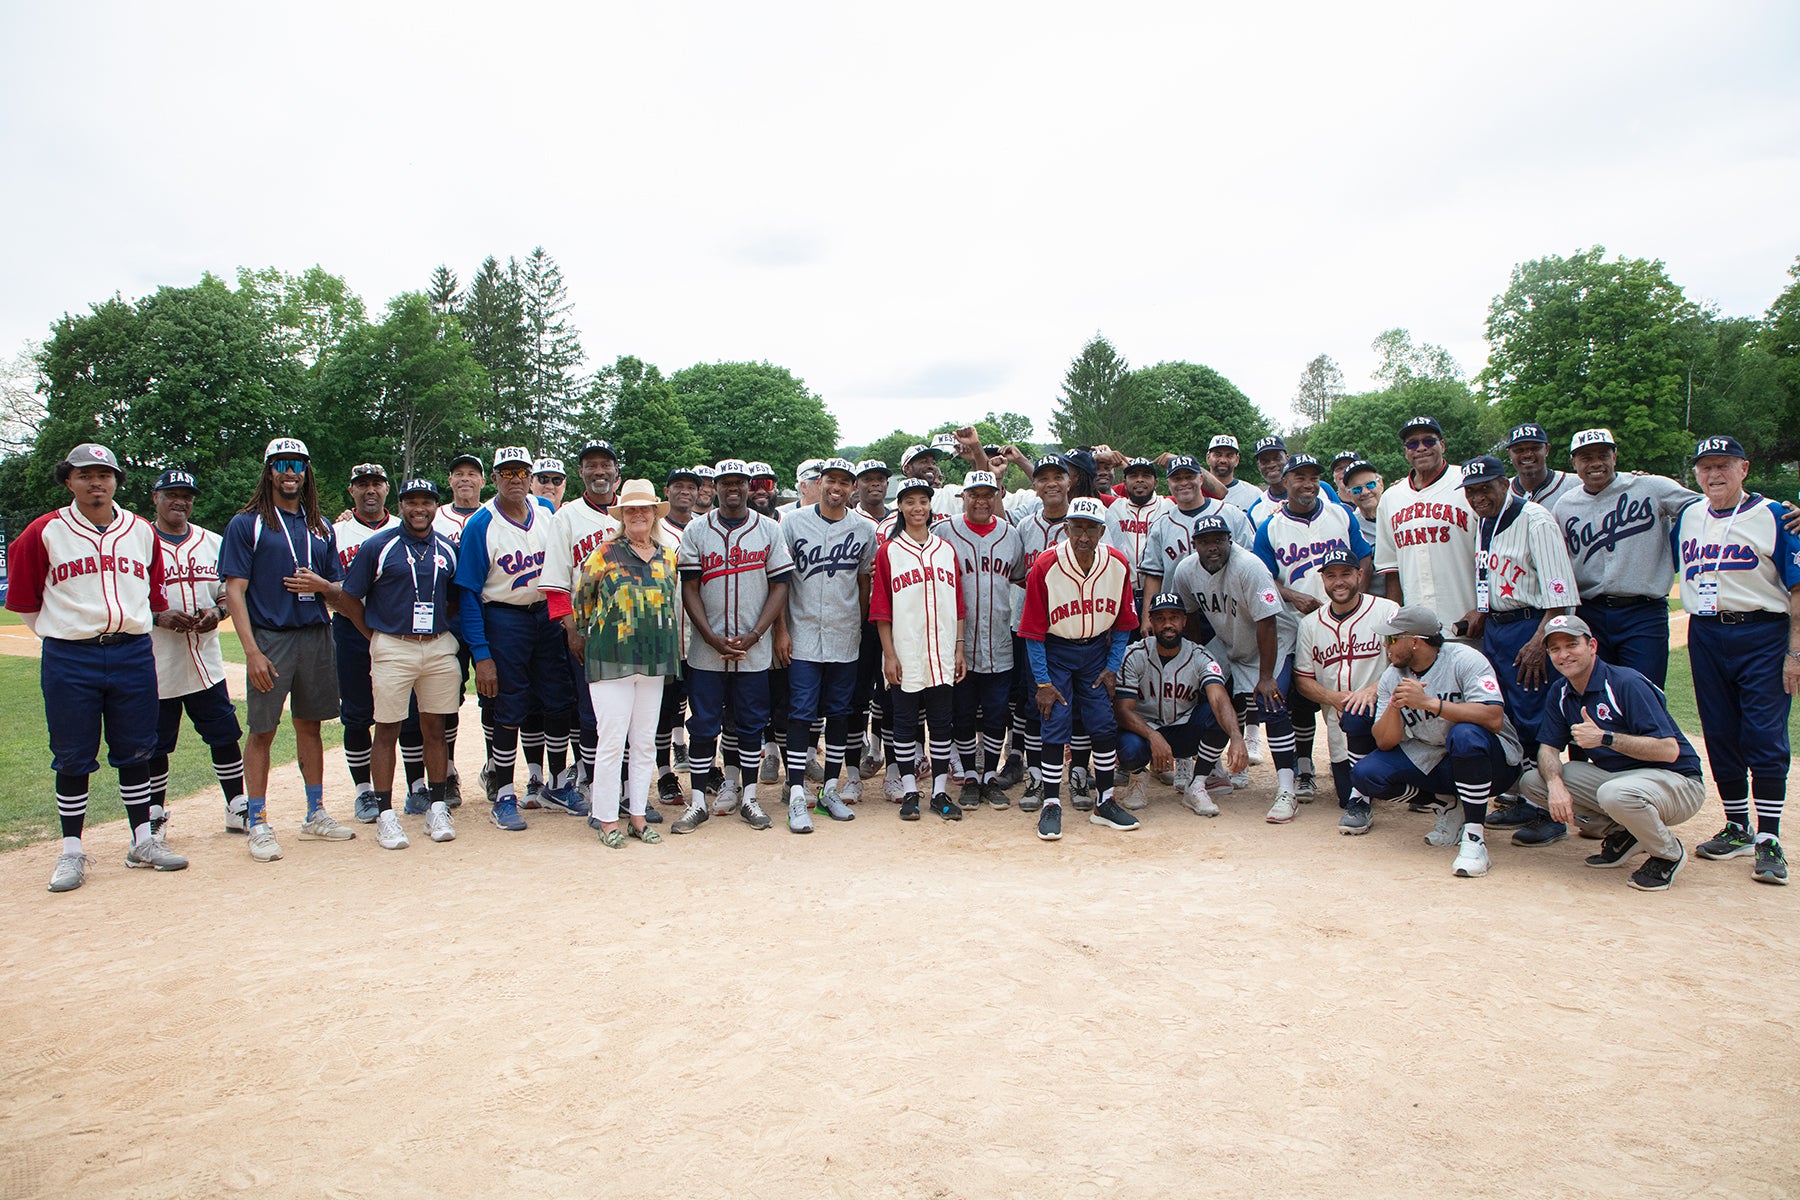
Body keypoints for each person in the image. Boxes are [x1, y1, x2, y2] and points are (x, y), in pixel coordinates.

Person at [7, 443, 186, 890]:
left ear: (116, 482)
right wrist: (64, 633)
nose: (96, 482)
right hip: (71, 656)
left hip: (131, 652)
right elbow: (26, 601)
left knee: (138, 750)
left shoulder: (140, 531)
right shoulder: (44, 531)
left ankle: (143, 841)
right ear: (68, 480)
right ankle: (72, 851)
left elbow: (154, 596)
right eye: (85, 474)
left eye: (104, 475)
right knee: (72, 754)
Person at [220, 437, 356, 862]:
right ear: (269, 471)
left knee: (311, 725)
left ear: (306, 470)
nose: (290, 471)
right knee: (262, 730)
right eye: (281, 464)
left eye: (297, 463)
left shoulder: (320, 526)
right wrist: (251, 651)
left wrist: (322, 587)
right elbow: (235, 592)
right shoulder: (248, 523)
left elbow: (337, 589)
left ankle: (315, 812)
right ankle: (257, 820)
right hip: (271, 636)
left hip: (316, 633)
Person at [1673, 435, 1798, 885]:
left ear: (1744, 468)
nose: (1714, 474)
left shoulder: (1777, 516)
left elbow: (1797, 589)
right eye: (1706, 467)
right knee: (1720, 733)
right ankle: (1737, 826)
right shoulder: (1687, 516)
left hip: (1763, 632)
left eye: (1724, 465)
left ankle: (1769, 838)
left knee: (1763, 734)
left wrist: (1795, 652)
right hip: (1705, 632)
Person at [1516, 615, 1705, 891]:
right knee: (1534, 783)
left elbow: (1668, 749)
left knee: (1614, 794)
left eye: (1571, 645)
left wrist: (1606, 739)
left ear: (1592, 646)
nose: (1564, 655)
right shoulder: (1561, 691)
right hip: (1625, 781)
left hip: (1678, 783)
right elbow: (1548, 748)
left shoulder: (1625, 683)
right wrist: (1555, 785)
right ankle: (1624, 834)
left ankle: (1668, 853)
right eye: (1555, 649)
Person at [1457, 455, 1581, 848]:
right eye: (1472, 491)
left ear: (1505, 483)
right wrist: (1482, 608)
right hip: (1499, 628)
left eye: (1486, 488)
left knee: (1537, 718)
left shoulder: (1536, 519)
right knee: (1509, 715)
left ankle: (1549, 811)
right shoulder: (1485, 522)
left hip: (1532, 628)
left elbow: (1560, 593)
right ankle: (1526, 797)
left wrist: (1540, 640)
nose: (1478, 496)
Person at [454, 445, 580, 831]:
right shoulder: (480, 524)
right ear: (494, 479)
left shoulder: (545, 512)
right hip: (503, 617)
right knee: (510, 707)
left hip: (545, 615)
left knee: (558, 700)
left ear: (530, 476)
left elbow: (560, 569)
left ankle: (556, 784)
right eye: (506, 473)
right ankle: (505, 791)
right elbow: (468, 594)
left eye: (521, 472)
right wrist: (481, 654)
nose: (515, 479)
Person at [1350, 606, 1525, 878]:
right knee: (1365, 775)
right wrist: (1395, 706)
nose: (1386, 646)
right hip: (1435, 757)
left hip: (1492, 762)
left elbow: (1493, 717)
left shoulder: (1466, 659)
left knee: (1465, 735)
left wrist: (1430, 704)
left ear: (1415, 642)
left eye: (1392, 639)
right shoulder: (1392, 676)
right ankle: (1447, 805)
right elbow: (1385, 742)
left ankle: (1474, 839)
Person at [335, 479, 461, 849]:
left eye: (426, 502)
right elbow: (348, 597)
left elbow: (453, 598)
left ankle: (437, 805)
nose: (418, 509)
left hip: (436, 644)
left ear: (436, 506)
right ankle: (386, 812)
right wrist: (373, 634)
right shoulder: (380, 545)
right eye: (411, 502)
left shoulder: (447, 549)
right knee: (387, 727)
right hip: (393, 644)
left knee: (435, 727)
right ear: (401, 505)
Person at [671, 459, 794, 834]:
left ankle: (750, 797)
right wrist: (708, 635)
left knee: (752, 723)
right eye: (725, 483)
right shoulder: (696, 529)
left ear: (748, 485)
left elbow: (780, 586)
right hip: (708, 650)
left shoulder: (770, 529)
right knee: (704, 724)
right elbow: (689, 586)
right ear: (716, 487)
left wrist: (757, 634)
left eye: (739, 482)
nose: (733, 488)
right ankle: (697, 803)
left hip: (752, 648)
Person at [1251, 452, 1375, 801]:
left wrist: (1357, 598)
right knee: (1299, 698)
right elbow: (1260, 577)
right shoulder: (1271, 526)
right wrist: (1291, 596)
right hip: (1297, 623)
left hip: (1345, 620)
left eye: (1312, 477)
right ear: (1285, 482)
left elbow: (1363, 556)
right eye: (1299, 477)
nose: (1307, 484)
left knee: (1350, 692)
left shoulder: (1340, 514)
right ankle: (1304, 767)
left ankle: (1359, 771)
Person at [568, 479, 682, 848]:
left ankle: (636, 814)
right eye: (631, 509)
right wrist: (597, 633)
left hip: (653, 660)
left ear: (654, 514)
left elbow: (669, 601)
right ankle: (605, 818)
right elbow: (582, 600)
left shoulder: (668, 556)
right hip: (611, 659)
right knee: (612, 741)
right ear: (623, 515)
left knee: (646, 742)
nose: (638, 515)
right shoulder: (604, 553)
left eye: (644, 509)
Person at [1018, 496, 1138, 840]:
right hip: (1056, 650)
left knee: (1102, 724)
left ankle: (1105, 802)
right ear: (1066, 527)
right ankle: (1051, 803)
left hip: (1095, 652)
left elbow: (1123, 624)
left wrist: (1112, 666)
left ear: (1102, 530)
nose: (1083, 536)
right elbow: (1033, 632)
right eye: (1076, 527)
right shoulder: (1045, 565)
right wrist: (1042, 682)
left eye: (1091, 528)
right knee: (1054, 723)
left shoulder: (1116, 563)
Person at [1170, 515, 1302, 822]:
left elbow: (1267, 623)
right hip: (1229, 642)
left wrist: (1266, 677)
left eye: (1219, 540)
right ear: (1195, 545)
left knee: (1273, 704)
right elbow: (1190, 619)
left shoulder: (1249, 566)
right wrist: (1198, 659)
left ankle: (1287, 790)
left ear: (1230, 540)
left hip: (1270, 642)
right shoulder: (1186, 570)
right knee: (1213, 700)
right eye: (1205, 541)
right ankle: (1202, 780)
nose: (1212, 547)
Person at [144, 469, 248, 845]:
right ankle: (153, 814)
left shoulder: (212, 542)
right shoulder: (138, 540)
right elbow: (121, 598)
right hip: (156, 663)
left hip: (205, 661)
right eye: (171, 493)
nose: (180, 501)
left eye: (186, 495)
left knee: (224, 734)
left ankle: (237, 804)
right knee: (155, 744)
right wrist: (158, 616)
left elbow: (227, 593)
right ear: (155, 497)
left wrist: (216, 614)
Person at [776, 457, 877, 830]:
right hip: (802, 632)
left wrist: (861, 624)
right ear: (819, 483)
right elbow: (780, 581)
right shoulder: (792, 524)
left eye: (844, 482)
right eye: (830, 480)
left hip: (844, 633)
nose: (837, 487)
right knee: (801, 712)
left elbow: (864, 580)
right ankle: (798, 793)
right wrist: (781, 631)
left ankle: (829, 790)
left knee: (839, 712)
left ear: (853, 488)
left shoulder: (863, 530)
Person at [1551, 428, 1694, 687]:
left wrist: (1772, 510)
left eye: (1602, 455)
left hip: (1643, 611)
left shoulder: (1651, 487)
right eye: (1586, 457)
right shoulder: (1565, 505)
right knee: (1596, 691)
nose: (1595, 463)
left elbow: (1709, 506)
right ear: (1574, 463)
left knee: (1644, 691)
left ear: (1615, 456)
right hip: (1590, 612)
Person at [871, 477, 968, 821]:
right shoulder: (889, 552)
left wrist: (958, 649)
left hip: (941, 650)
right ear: (899, 506)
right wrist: (889, 654)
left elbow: (958, 605)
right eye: (909, 502)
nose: (917, 508)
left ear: (930, 506)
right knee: (905, 723)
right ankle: (911, 790)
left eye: (922, 502)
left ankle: (940, 792)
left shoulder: (945, 550)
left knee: (942, 723)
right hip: (906, 650)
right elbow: (881, 610)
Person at [540, 440, 624, 809]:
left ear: (616, 471)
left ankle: (624, 789)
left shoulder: (633, 512)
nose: (599, 471)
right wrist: (571, 630)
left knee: (628, 713)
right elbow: (555, 581)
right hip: (588, 630)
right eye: (591, 465)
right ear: (581, 473)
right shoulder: (567, 516)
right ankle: (593, 785)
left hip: (630, 631)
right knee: (591, 713)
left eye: (605, 464)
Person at [1293, 549, 1398, 833]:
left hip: (1386, 718)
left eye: (1346, 574)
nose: (1339, 582)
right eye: (1331, 576)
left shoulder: (1387, 611)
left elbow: (1404, 665)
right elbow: (1303, 680)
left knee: (1390, 786)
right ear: (1323, 581)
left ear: (1360, 575)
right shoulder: (1310, 624)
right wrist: (1334, 698)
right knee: (1345, 796)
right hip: (1341, 727)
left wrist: (1373, 690)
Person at [1114, 594, 1248, 815]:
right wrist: (1152, 735)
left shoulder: (1200, 655)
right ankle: (1138, 779)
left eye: (1174, 617)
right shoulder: (1134, 654)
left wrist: (1236, 735)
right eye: (1160, 618)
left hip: (1183, 731)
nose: (1168, 624)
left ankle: (1196, 785)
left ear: (1184, 621)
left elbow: (1218, 697)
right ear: (1150, 621)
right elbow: (1122, 711)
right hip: (1145, 732)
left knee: (1218, 717)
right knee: (1129, 749)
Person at [940, 469, 1026, 810]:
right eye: (974, 494)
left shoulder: (1011, 535)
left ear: (998, 496)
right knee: (962, 713)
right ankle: (971, 777)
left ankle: (990, 775)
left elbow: (1018, 580)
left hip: (999, 641)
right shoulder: (943, 532)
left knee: (995, 713)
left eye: (987, 494)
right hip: (959, 642)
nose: (981, 500)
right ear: (963, 497)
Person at [1373, 416, 1480, 640]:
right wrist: (1397, 622)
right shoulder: (1391, 498)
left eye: (1428, 441)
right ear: (1405, 451)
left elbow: (1491, 555)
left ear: (1442, 444)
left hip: (1467, 620)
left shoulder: (1468, 482)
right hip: (1417, 630)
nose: (1421, 448)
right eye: (1412, 443)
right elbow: (1390, 569)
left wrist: (1484, 608)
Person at [332, 463, 399, 822]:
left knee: (407, 712)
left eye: (376, 483)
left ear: (387, 489)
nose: (369, 490)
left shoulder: (403, 527)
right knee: (357, 715)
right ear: (351, 490)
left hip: (395, 632)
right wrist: (359, 624)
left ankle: (417, 785)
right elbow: (329, 587)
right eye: (362, 484)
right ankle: (363, 791)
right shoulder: (336, 531)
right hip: (350, 631)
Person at [1139, 455, 1253, 599]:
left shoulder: (1232, 514)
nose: (1184, 482)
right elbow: (1153, 577)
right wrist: (1149, 621)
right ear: (1168, 483)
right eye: (1177, 478)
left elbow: (1251, 565)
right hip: (1179, 614)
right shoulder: (1160, 526)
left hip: (1230, 608)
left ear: (1201, 479)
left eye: (1189, 476)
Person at [653, 467, 701, 802]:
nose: (685, 491)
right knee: (663, 711)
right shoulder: (655, 530)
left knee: (704, 708)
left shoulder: (705, 527)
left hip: (701, 638)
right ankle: (665, 774)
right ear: (667, 490)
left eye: (691, 487)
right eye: (678, 486)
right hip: (664, 637)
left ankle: (707, 766)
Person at [1104, 457, 1173, 602]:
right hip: (1123, 595)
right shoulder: (1113, 506)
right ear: (1124, 482)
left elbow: (1211, 492)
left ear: (1156, 482)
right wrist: (1097, 458)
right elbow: (1078, 486)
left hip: (1161, 595)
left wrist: (1177, 460)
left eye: (1146, 475)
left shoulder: (1170, 506)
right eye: (1134, 476)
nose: (1139, 480)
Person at [1341, 460, 1386, 597]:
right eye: (1357, 489)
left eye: (1370, 484)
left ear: (1381, 484)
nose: (1365, 492)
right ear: (1349, 495)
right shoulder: (1350, 524)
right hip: (1373, 602)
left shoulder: (1399, 513)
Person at [1506, 423, 1574, 506]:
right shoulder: (1501, 492)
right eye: (1519, 450)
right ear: (1509, 454)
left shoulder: (1574, 484)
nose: (1527, 455)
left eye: (1535, 448)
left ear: (1547, 449)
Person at [1206, 434, 1266, 510]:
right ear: (1208, 458)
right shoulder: (1195, 492)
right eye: (1218, 455)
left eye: (1229, 455)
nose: (1223, 460)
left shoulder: (1253, 494)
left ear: (1237, 460)